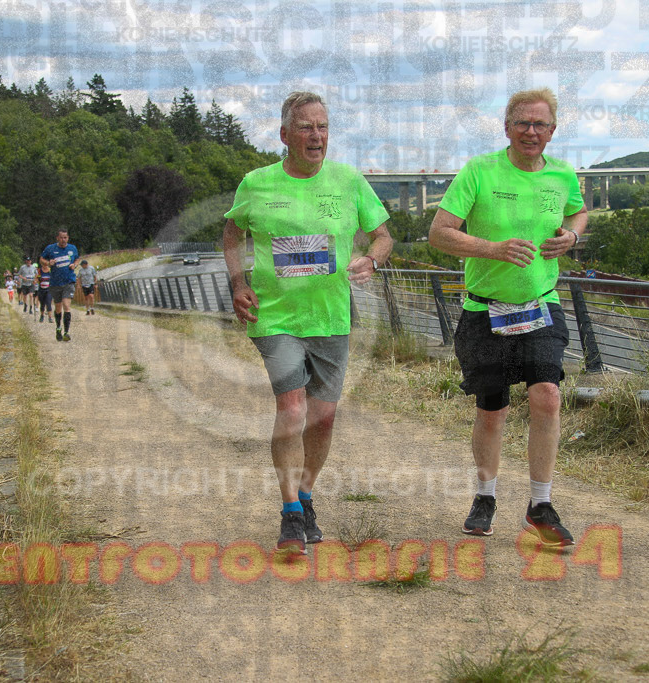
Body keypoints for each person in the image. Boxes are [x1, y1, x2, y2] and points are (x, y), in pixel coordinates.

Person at [223, 91, 393, 554]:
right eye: (305, 127)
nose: (316, 136)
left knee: (323, 417)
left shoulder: (349, 181)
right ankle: (290, 515)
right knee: (293, 409)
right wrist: (238, 282)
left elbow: (383, 236)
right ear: (284, 135)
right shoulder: (257, 183)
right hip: (275, 317)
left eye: (322, 126)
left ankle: (306, 494)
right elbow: (232, 232)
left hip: (331, 316)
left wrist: (372, 260)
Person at [427, 87, 587, 548]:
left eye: (540, 124)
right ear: (507, 127)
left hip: (541, 302)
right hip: (485, 309)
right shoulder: (479, 171)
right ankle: (485, 495)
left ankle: (540, 503)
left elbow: (578, 213)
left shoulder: (561, 175)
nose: (531, 132)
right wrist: (492, 249)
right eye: (522, 123)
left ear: (553, 131)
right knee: (491, 410)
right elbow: (439, 233)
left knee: (548, 395)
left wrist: (571, 238)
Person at [40, 229, 79, 342]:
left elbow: (77, 259)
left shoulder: (72, 248)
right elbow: (42, 259)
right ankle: (58, 328)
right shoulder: (50, 248)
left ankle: (66, 332)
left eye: (65, 238)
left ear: (68, 238)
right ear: (57, 238)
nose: (63, 240)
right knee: (58, 308)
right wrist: (48, 263)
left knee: (66, 305)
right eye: (61, 238)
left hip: (69, 281)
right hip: (55, 283)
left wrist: (74, 265)